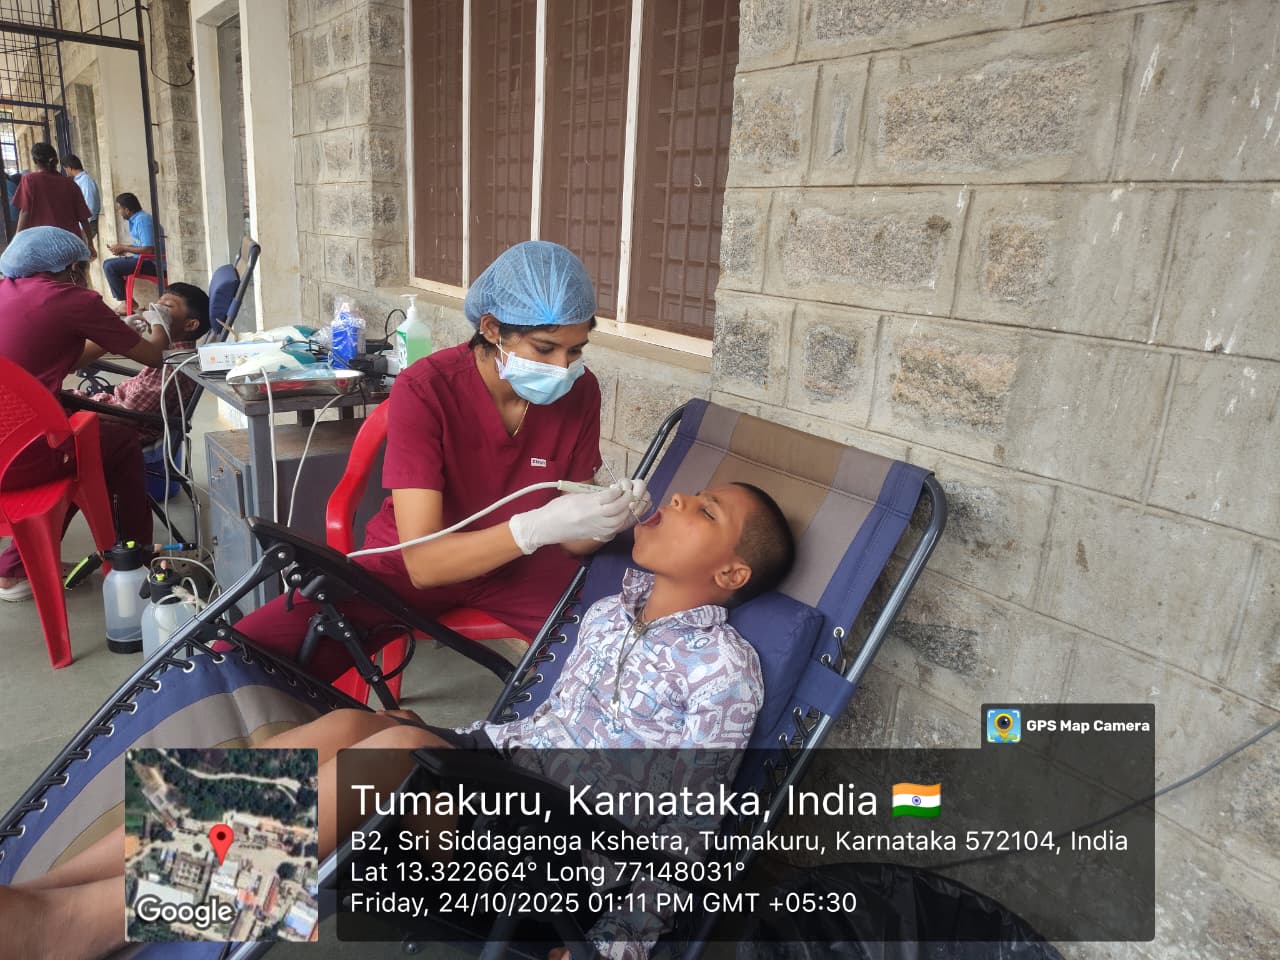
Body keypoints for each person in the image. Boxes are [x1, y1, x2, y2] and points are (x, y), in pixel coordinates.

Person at [0, 482, 796, 960]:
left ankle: (79, 924)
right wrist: (460, 744)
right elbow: (536, 727)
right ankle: (56, 887)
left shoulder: (725, 671)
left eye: (710, 510)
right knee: (355, 731)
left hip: (581, 855)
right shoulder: (606, 615)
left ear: (729, 573)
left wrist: (612, 946)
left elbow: (686, 827)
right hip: (512, 783)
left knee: (400, 753)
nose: (682, 497)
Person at [228, 240, 646, 679]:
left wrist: (607, 516)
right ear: (490, 328)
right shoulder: (426, 388)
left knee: (630, 653)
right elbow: (424, 564)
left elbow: (572, 543)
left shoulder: (581, 391)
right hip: (412, 564)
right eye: (545, 349)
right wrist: (532, 528)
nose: (563, 367)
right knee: (251, 653)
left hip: (527, 567)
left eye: (575, 350)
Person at [0, 227, 168, 602]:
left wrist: (115, 332)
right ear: (72, 268)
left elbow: (55, 355)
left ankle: (17, 566)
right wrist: (159, 320)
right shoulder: (71, 298)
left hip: (5, 444)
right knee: (115, 443)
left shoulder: (8, 291)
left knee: (88, 451)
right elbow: (154, 356)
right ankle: (134, 559)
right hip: (21, 458)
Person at [80, 283, 210, 445]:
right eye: (157, 304)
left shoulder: (172, 363)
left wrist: (79, 409)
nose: (156, 310)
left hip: (120, 423)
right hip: (111, 404)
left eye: (167, 307)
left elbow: (128, 415)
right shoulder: (167, 352)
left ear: (190, 325)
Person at [12, 143, 97, 260]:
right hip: (71, 244)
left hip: (43, 245)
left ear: (35, 161)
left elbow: (24, 213)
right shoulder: (71, 184)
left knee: (47, 277)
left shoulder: (30, 180)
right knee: (73, 277)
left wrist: (16, 243)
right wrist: (90, 245)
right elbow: (83, 218)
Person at [101, 192, 157, 305]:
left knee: (110, 266)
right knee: (108, 263)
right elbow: (141, 246)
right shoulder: (136, 220)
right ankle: (127, 301)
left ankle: (126, 302)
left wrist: (123, 247)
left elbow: (149, 250)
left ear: (127, 210)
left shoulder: (142, 220)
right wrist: (123, 249)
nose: (119, 212)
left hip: (152, 264)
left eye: (119, 209)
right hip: (143, 260)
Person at [62, 155, 101, 246]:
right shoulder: (78, 181)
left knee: (83, 255)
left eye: (65, 169)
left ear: (69, 168)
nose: (66, 172)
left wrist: (82, 227)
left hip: (87, 225)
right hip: (82, 224)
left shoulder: (86, 181)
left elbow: (90, 206)